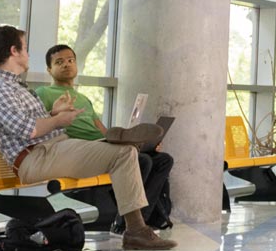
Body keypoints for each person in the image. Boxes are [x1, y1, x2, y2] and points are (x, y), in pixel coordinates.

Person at [0, 25, 176, 250]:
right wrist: (58, 121)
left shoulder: (13, 86)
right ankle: (136, 230)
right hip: (37, 157)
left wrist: (54, 113)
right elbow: (27, 129)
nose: (28, 53)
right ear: (14, 51)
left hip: (52, 149)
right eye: (25, 48)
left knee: (127, 152)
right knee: (124, 153)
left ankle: (136, 224)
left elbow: (25, 124)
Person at [33, 44, 175, 232]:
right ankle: (132, 224)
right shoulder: (44, 93)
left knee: (163, 160)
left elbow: (103, 131)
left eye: (70, 60)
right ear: (49, 70)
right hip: (78, 149)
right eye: (59, 62)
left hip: (101, 144)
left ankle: (141, 221)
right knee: (142, 161)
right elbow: (39, 125)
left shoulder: (83, 98)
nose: (67, 65)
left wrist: (134, 143)